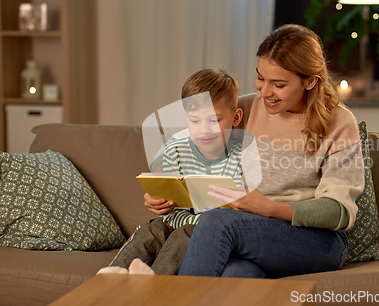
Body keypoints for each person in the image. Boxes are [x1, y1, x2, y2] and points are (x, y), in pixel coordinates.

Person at [146, 24, 365, 278]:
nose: (265, 91)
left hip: (317, 241)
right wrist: (163, 185)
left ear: (310, 81)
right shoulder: (246, 109)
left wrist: (268, 208)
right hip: (250, 233)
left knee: (216, 222)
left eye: (279, 84)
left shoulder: (340, 123)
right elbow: (188, 140)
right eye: (261, 77)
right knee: (236, 275)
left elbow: (339, 211)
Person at [98, 68, 244, 275]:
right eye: (195, 121)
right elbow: (163, 186)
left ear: (236, 118)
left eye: (214, 120)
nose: (204, 129)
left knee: (185, 234)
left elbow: (242, 205)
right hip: (172, 221)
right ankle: (112, 276)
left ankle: (157, 282)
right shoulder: (175, 150)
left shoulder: (240, 156)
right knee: (151, 229)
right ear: (186, 118)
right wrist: (158, 198)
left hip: (206, 230)